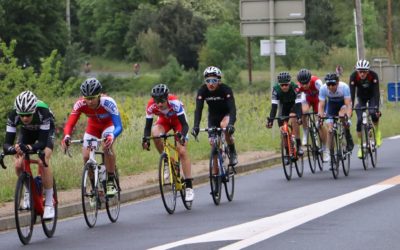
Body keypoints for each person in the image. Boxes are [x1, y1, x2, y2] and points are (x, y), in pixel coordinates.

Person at [61, 78, 123, 196]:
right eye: (86, 98)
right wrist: (67, 136)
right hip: (93, 127)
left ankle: (110, 180)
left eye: (92, 98)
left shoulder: (108, 102)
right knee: (86, 156)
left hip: (108, 126)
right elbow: (70, 124)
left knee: (106, 147)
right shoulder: (80, 104)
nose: (89, 101)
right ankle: (94, 187)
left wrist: (112, 135)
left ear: (99, 95)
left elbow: (119, 126)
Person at [3, 91, 56, 219]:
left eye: (28, 114)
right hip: (27, 132)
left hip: (46, 132)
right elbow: (6, 144)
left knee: (44, 160)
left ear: (34, 109)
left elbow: (42, 142)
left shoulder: (43, 111)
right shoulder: (13, 114)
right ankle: (29, 190)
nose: (25, 118)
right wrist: (13, 148)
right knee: (18, 164)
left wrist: (29, 147)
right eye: (22, 115)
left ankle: (49, 203)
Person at [141, 84, 194, 202]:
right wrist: (145, 139)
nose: (159, 104)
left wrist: (181, 135)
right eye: (157, 101)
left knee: (182, 150)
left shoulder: (175, 102)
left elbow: (185, 125)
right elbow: (147, 127)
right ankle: (167, 161)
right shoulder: (151, 105)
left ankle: (189, 186)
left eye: (162, 101)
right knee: (155, 133)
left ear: (167, 97)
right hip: (164, 122)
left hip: (178, 123)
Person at [191, 66, 238, 167]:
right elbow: (198, 109)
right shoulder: (202, 90)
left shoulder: (226, 89)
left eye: (214, 80)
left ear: (219, 81)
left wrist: (231, 124)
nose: (211, 84)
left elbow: (232, 109)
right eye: (208, 81)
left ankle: (232, 150)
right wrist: (196, 126)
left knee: (224, 126)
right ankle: (216, 175)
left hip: (226, 115)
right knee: (213, 144)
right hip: (213, 118)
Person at [349, 59, 381, 158]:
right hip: (361, 97)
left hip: (372, 96)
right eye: (360, 71)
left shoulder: (373, 75)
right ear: (357, 71)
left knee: (372, 112)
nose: (362, 73)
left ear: (368, 71)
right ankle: (361, 147)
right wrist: (350, 108)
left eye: (364, 71)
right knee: (359, 120)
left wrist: (377, 108)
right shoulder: (353, 76)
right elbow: (352, 94)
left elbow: (376, 92)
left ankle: (377, 131)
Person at [266, 72, 303, 157]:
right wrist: (271, 120)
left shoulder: (295, 88)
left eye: (286, 85)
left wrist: (299, 117)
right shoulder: (275, 89)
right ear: (279, 85)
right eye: (282, 85)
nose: (284, 87)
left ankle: (298, 144)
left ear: (289, 83)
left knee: (294, 118)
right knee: (283, 129)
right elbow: (274, 107)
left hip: (294, 105)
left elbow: (298, 105)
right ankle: (287, 152)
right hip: (284, 106)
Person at [296, 69, 329, 162]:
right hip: (308, 100)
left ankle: (325, 149)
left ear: (310, 80)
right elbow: (298, 102)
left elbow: (325, 97)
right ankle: (306, 133)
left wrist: (322, 113)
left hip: (318, 100)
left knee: (320, 124)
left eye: (306, 83)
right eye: (303, 84)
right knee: (304, 111)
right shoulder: (299, 86)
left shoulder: (317, 82)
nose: (305, 85)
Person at [318, 73, 354, 154]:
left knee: (342, 116)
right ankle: (332, 155)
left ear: (337, 83)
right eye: (328, 84)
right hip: (332, 105)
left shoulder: (344, 87)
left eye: (333, 84)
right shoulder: (323, 88)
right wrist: (320, 117)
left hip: (343, 104)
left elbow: (348, 105)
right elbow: (321, 105)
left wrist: (347, 118)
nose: (330, 87)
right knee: (330, 130)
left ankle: (347, 135)